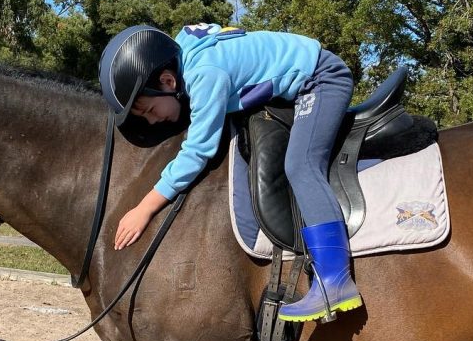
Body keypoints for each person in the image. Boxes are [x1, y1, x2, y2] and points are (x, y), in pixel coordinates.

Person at [98, 23, 362, 323]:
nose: (152, 121)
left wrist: (145, 208)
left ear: (169, 81)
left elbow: (198, 151)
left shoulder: (205, 75)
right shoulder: (189, 56)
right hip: (307, 75)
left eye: (149, 110)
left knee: (300, 165)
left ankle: (334, 280)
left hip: (321, 79)